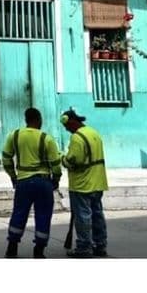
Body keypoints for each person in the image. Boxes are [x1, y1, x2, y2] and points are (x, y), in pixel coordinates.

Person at [0, 107, 62, 258]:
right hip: (43, 183)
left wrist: (13, 176)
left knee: (19, 213)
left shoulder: (14, 135)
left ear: (26, 120)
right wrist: (56, 179)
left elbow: (6, 158)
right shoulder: (47, 138)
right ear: (38, 119)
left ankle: (12, 247)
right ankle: (39, 250)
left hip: (23, 182)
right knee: (43, 215)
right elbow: (56, 163)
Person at [60, 108, 108, 258]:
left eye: (67, 126)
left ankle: (84, 247)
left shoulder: (77, 138)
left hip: (82, 184)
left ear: (72, 122)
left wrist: (62, 159)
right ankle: (100, 245)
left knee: (83, 217)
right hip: (98, 181)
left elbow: (74, 160)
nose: (67, 129)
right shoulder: (94, 133)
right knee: (97, 214)